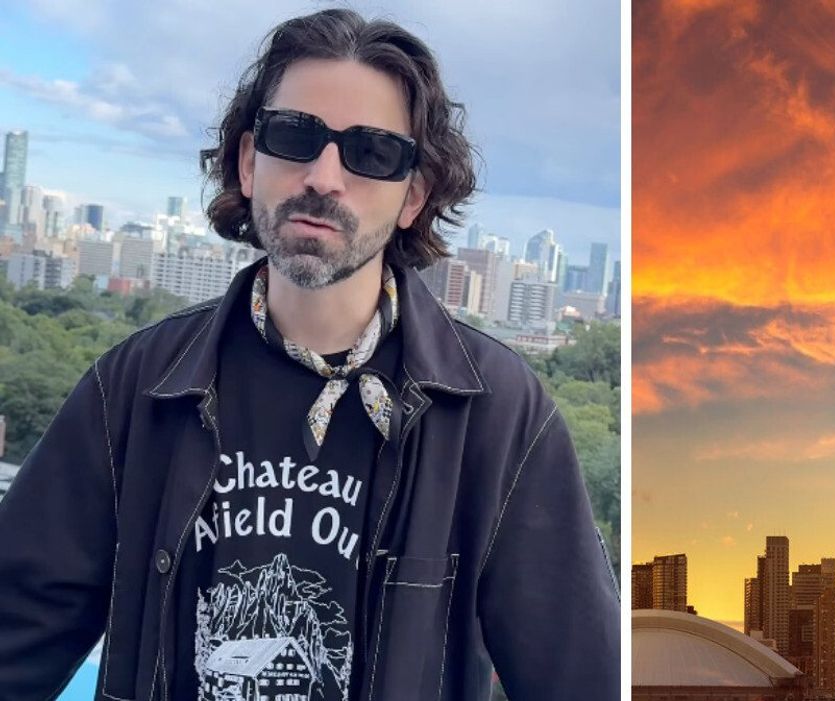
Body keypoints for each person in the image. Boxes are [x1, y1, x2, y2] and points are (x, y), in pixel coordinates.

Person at [0, 9, 619, 701]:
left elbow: (580, 674)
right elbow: (16, 633)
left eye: (373, 152)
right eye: (294, 136)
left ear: (413, 195)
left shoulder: (497, 415)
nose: (324, 176)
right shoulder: (136, 388)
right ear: (247, 160)